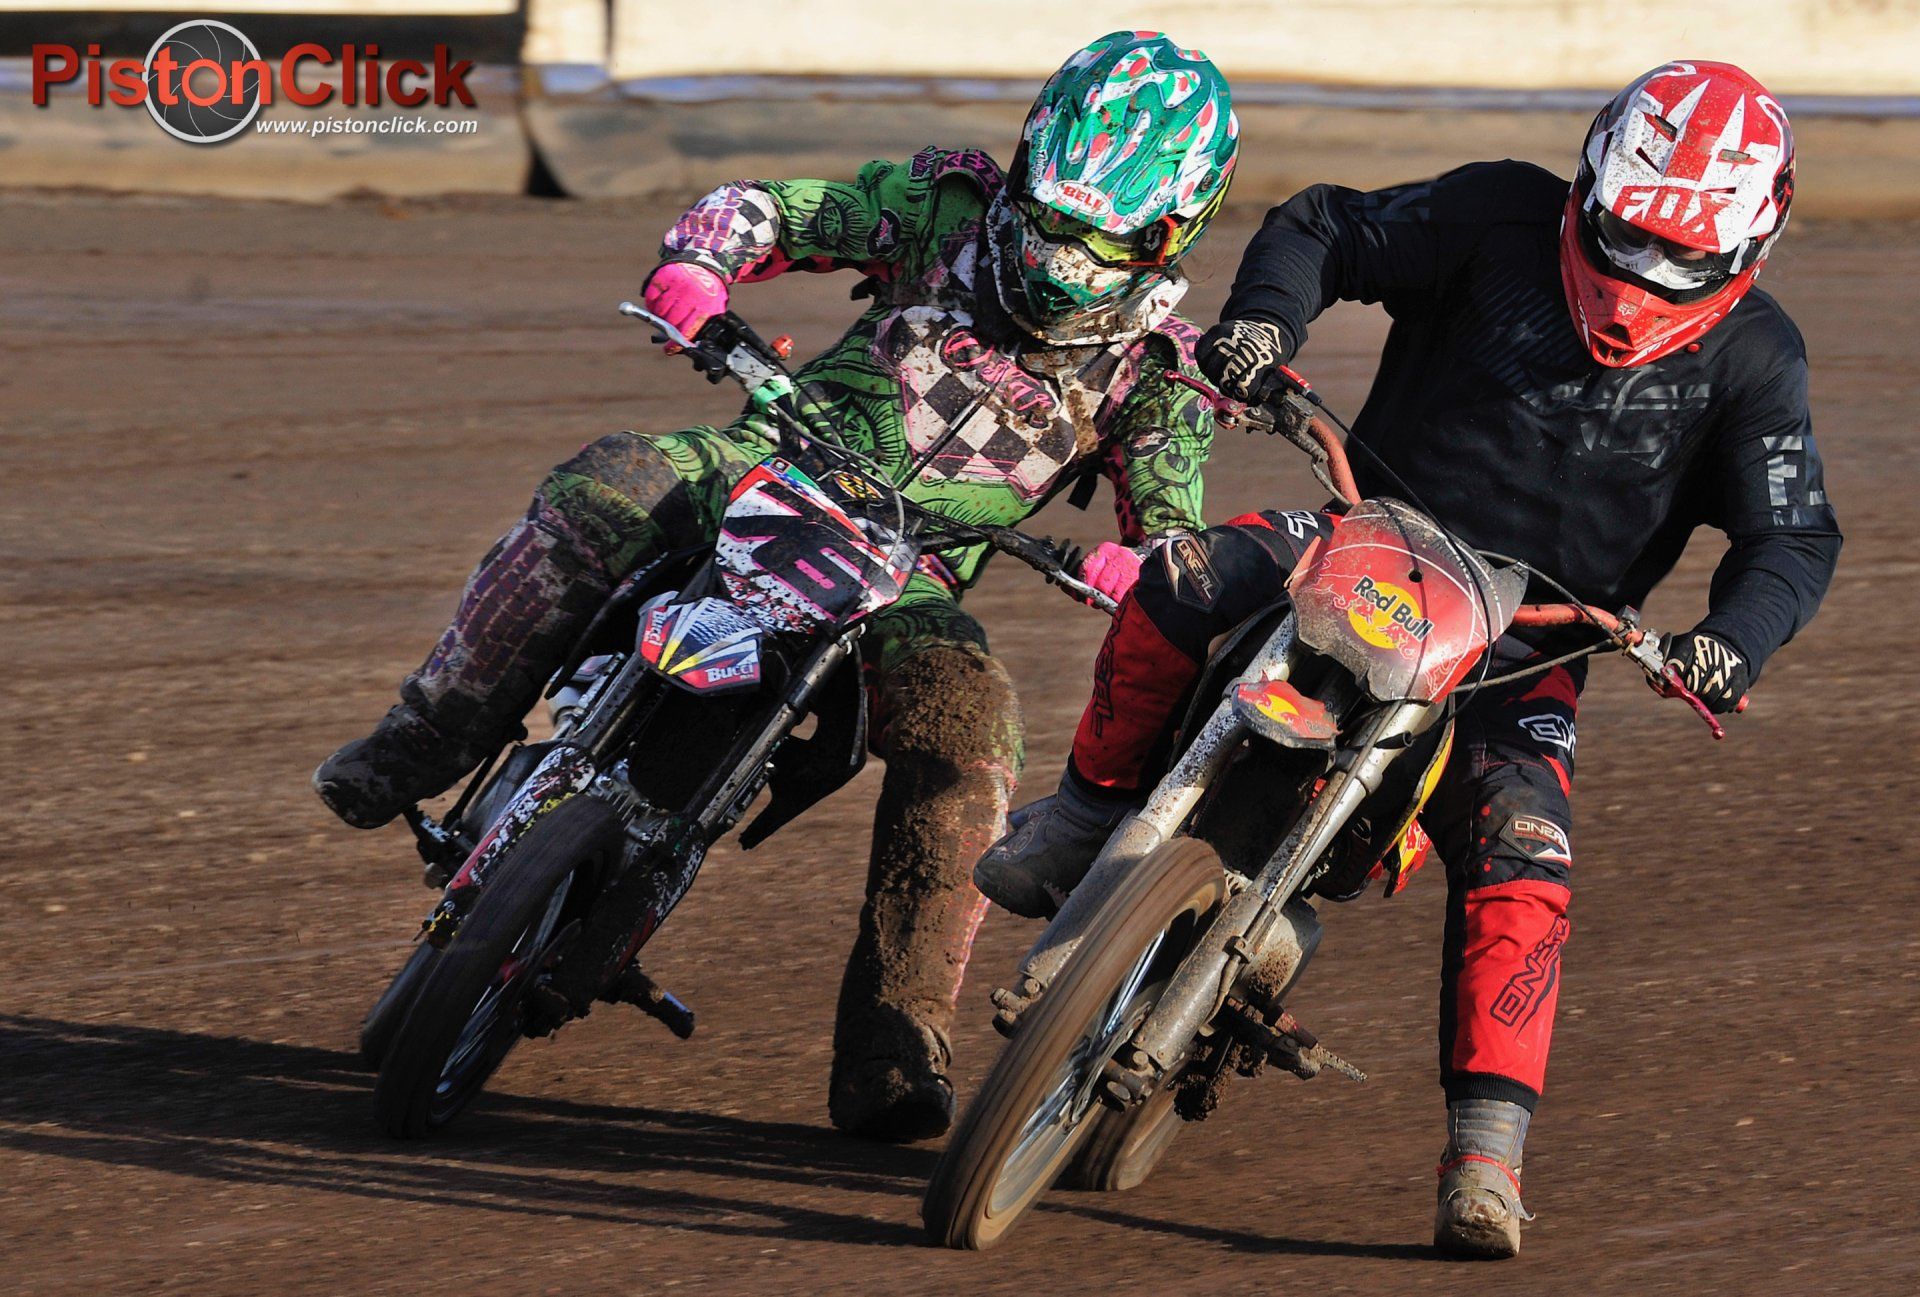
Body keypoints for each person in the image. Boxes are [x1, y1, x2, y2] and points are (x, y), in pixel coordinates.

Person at [974, 60, 1840, 1252]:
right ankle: (1081, 818)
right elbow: (1325, 224)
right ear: (1589, 184)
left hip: (1529, 643)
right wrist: (1265, 322)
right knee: (1181, 578)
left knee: (1527, 857)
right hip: (1365, 531)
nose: (1643, 272)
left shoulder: (1759, 360)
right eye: (1627, 232)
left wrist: (1730, 644)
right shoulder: (1497, 214)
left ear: (1751, 241)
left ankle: (1486, 1157)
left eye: (1680, 255)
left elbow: (1791, 535)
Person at [314, 31, 1239, 1143]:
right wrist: (703, 263)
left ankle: (895, 1041)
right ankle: (423, 737)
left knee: (973, 731)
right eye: (1047, 214)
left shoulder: (1160, 378)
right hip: (765, 460)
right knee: (608, 482)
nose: (1059, 251)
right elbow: (780, 210)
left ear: (1170, 231)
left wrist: (1142, 565)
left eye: (1096, 235)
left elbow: (1174, 530)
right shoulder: (943, 211)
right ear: (1025, 169)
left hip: (912, 576)